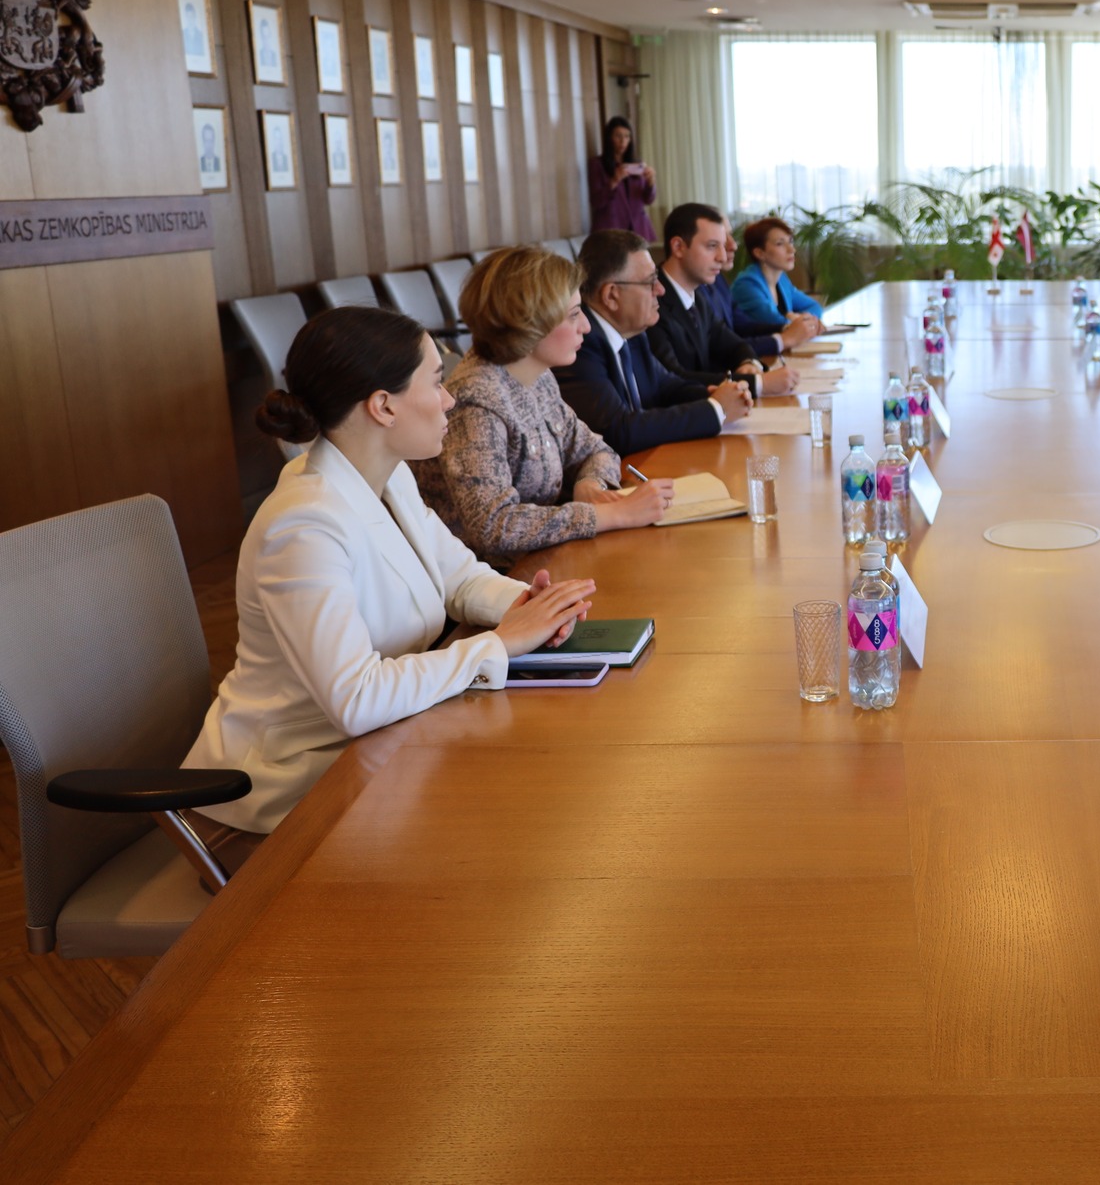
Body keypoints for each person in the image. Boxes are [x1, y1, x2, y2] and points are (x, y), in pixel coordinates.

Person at [179, 306, 597, 872]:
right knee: (504, 839)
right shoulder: (303, 525)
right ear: (383, 406)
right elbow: (357, 699)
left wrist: (524, 606)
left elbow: (457, 574)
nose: (450, 398)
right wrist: (499, 644)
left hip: (377, 753)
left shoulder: (388, 473)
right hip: (284, 794)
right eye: (435, 380)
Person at [417, 245, 677, 564]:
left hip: (546, 561)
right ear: (529, 323)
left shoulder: (537, 376)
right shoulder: (475, 401)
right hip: (498, 579)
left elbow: (596, 449)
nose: (586, 326)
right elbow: (493, 526)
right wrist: (612, 514)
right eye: (574, 315)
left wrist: (590, 484)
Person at [555, 228, 751, 454]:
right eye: (650, 282)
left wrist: (717, 394)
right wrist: (716, 409)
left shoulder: (633, 332)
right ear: (611, 295)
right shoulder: (581, 344)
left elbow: (665, 387)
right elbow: (616, 430)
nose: (660, 289)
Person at [646, 204, 799, 399]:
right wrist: (758, 383)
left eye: (722, 245)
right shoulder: (651, 301)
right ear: (678, 247)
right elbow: (672, 378)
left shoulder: (697, 297)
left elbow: (732, 344)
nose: (723, 256)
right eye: (712, 246)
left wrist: (748, 363)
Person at [729, 215, 826, 339]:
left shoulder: (781, 280)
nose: (791, 249)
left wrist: (798, 318)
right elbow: (777, 324)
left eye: (790, 241)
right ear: (759, 253)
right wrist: (798, 320)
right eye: (780, 244)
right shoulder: (746, 285)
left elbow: (814, 306)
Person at [587, 115, 657, 241]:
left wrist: (651, 183)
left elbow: (648, 199)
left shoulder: (636, 164)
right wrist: (614, 180)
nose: (623, 141)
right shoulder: (597, 164)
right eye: (618, 136)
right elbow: (596, 201)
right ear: (609, 138)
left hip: (637, 229)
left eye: (627, 136)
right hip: (610, 229)